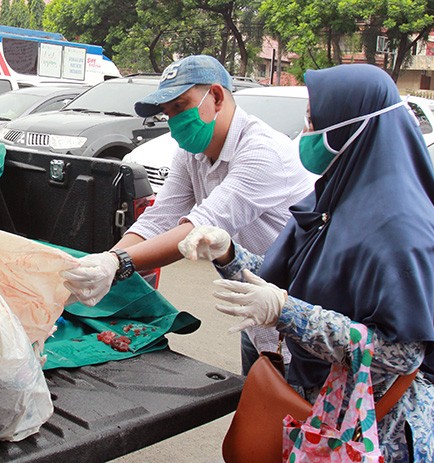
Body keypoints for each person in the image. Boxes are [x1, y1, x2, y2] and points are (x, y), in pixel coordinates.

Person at [178, 64, 434, 461]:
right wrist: (228, 252)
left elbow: (401, 354)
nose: (307, 133)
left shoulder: (401, 230)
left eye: (316, 122)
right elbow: (294, 277)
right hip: (319, 410)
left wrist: (288, 313)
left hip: (373, 427)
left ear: (353, 128)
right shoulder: (335, 199)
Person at [61, 54, 313, 374]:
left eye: (180, 107)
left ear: (217, 97)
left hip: (296, 316)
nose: (174, 120)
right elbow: (160, 217)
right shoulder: (192, 152)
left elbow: (201, 226)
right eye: (168, 113)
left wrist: (118, 264)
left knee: (297, 414)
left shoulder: (263, 153)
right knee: (259, 408)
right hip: (256, 318)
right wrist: (105, 260)